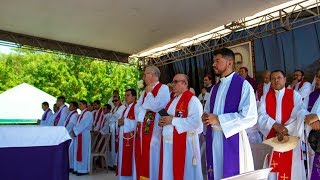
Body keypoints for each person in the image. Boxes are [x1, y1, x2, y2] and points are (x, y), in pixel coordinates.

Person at [203, 48, 257, 179]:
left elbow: (250, 117)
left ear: (229, 62)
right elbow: (208, 110)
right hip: (214, 138)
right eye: (213, 61)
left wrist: (219, 119)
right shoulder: (215, 88)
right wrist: (205, 117)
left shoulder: (243, 85)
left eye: (217, 61)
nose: (214, 64)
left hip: (233, 140)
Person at [258, 70, 306, 180]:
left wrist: (285, 129)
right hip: (272, 138)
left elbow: (299, 113)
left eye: (279, 77)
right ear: (270, 81)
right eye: (273, 78)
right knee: (272, 169)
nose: (276, 80)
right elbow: (260, 115)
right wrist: (274, 125)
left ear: (285, 79)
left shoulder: (294, 95)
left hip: (290, 138)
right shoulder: (265, 97)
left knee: (292, 169)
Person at [158, 74, 203, 180]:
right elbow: (168, 119)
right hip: (168, 143)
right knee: (168, 172)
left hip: (184, 143)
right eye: (172, 82)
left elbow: (196, 123)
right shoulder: (172, 101)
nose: (172, 84)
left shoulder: (193, 100)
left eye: (175, 82)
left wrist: (172, 120)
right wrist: (162, 122)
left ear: (185, 83)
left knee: (185, 174)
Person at [134, 66, 170, 180]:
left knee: (154, 155)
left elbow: (157, 106)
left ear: (154, 75)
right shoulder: (146, 90)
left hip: (155, 128)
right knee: (144, 155)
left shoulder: (163, 88)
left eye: (146, 74)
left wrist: (149, 96)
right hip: (145, 125)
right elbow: (137, 108)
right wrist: (146, 106)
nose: (144, 77)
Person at [298, 69, 320, 179]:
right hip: (314, 142)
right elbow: (301, 110)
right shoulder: (312, 95)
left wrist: (318, 117)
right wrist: (310, 119)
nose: (318, 79)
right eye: (317, 76)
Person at [117, 89, 138, 180]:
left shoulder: (136, 107)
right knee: (123, 158)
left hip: (131, 138)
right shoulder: (126, 108)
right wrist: (120, 122)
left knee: (129, 159)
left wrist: (124, 121)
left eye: (128, 95)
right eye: (125, 95)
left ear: (134, 97)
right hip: (123, 137)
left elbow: (137, 123)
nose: (125, 97)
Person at [101, 95, 125, 168]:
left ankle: (116, 163)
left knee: (116, 147)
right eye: (113, 101)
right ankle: (111, 163)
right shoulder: (114, 108)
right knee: (112, 147)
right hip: (112, 129)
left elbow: (115, 116)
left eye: (116, 100)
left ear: (120, 100)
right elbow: (109, 117)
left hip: (117, 129)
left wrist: (110, 117)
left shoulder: (122, 107)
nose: (114, 102)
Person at [70, 100, 93, 176]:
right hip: (80, 134)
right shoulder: (81, 114)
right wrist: (75, 130)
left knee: (83, 152)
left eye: (80, 104)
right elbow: (78, 124)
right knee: (78, 151)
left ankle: (83, 170)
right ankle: (77, 168)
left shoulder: (88, 113)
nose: (79, 105)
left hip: (84, 135)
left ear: (84, 105)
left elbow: (84, 124)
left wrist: (75, 130)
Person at [64, 101, 79, 172]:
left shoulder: (75, 114)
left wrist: (65, 131)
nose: (69, 107)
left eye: (71, 105)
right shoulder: (70, 113)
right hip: (67, 133)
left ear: (75, 107)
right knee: (69, 150)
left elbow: (71, 124)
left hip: (70, 134)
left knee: (71, 150)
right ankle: (69, 165)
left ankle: (71, 166)